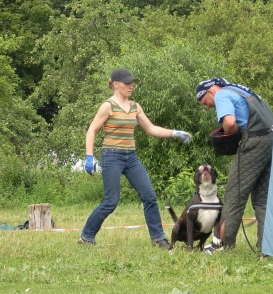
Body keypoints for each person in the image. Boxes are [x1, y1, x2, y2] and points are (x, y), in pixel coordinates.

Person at [79, 68, 192, 248]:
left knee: (149, 196)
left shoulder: (135, 107)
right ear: (116, 84)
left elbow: (151, 129)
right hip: (112, 156)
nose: (131, 86)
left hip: (130, 157)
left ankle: (158, 238)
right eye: (127, 83)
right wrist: (89, 156)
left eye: (132, 83)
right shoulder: (107, 106)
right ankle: (87, 236)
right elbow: (92, 130)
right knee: (111, 201)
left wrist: (174, 133)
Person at [195, 77, 273, 253]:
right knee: (263, 199)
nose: (208, 106)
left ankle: (221, 245)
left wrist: (229, 132)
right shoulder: (243, 91)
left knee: (234, 195)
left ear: (210, 92)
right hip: (272, 140)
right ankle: (268, 247)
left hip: (253, 142)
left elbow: (230, 122)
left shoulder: (222, 95)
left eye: (204, 102)